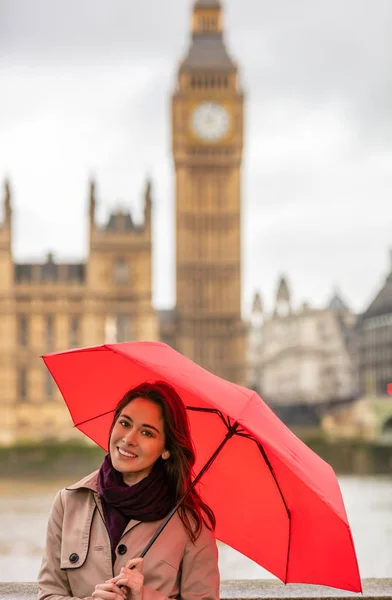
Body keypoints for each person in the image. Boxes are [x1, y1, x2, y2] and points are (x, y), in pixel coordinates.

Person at [38, 381, 219, 600]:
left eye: (147, 433)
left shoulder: (191, 524)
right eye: (125, 423)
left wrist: (142, 596)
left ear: (166, 450)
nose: (129, 439)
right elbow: (48, 594)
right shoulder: (69, 502)